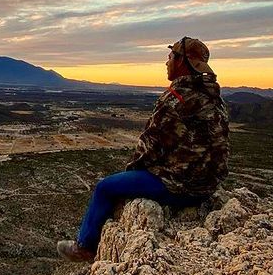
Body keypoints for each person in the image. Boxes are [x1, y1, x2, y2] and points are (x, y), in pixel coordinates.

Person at [57, 37, 230, 262]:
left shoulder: (176, 98)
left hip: (180, 186)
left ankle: (84, 246)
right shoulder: (214, 97)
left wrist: (133, 172)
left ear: (182, 61)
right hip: (207, 187)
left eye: (170, 56)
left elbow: (150, 145)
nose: (167, 62)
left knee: (105, 188)